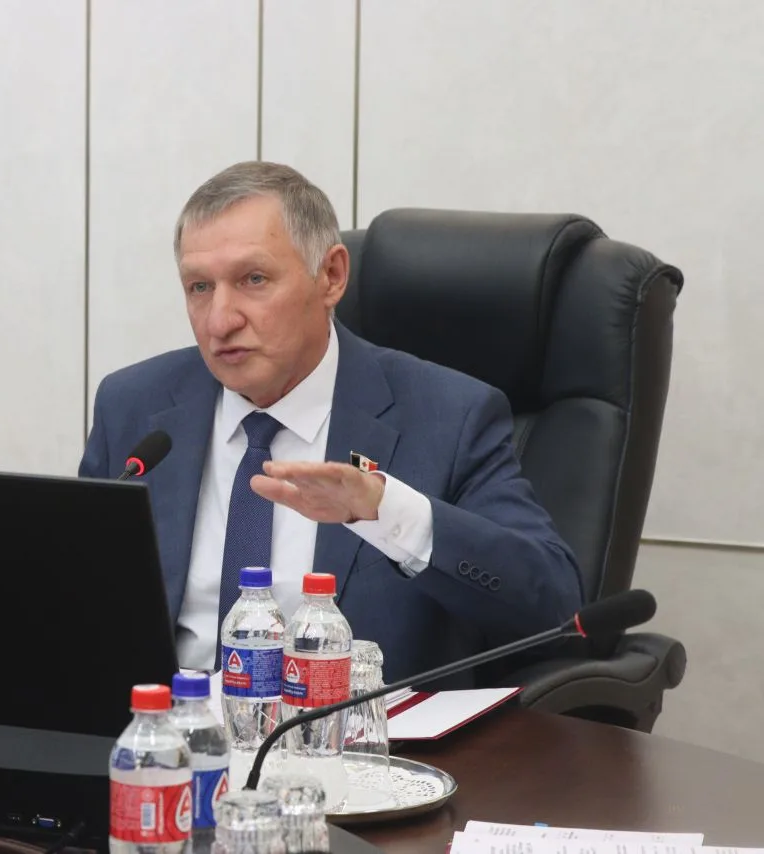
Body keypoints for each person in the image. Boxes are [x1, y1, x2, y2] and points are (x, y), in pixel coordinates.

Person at [79, 161, 583, 682]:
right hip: (167, 724)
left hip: (346, 727)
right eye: (200, 287)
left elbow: (556, 609)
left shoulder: (449, 417)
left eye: (254, 279)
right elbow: (80, 602)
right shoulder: (134, 406)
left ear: (332, 277)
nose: (220, 320)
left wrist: (386, 512)